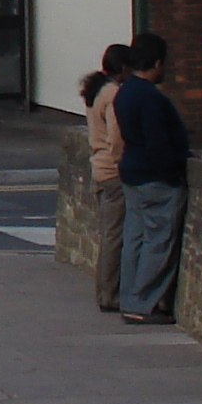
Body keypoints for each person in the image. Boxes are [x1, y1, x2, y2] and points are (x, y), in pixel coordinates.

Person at [115, 34, 189, 325]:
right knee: (159, 240)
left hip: (132, 172)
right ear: (157, 63)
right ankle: (142, 303)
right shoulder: (151, 97)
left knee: (135, 238)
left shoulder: (125, 91)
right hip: (154, 177)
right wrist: (173, 175)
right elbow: (158, 142)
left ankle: (129, 298)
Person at [81, 44, 132, 312]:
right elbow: (116, 138)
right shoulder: (114, 94)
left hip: (98, 168)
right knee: (115, 236)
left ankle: (106, 291)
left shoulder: (96, 89)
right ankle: (109, 295)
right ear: (124, 68)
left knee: (109, 234)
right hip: (112, 172)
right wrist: (124, 163)